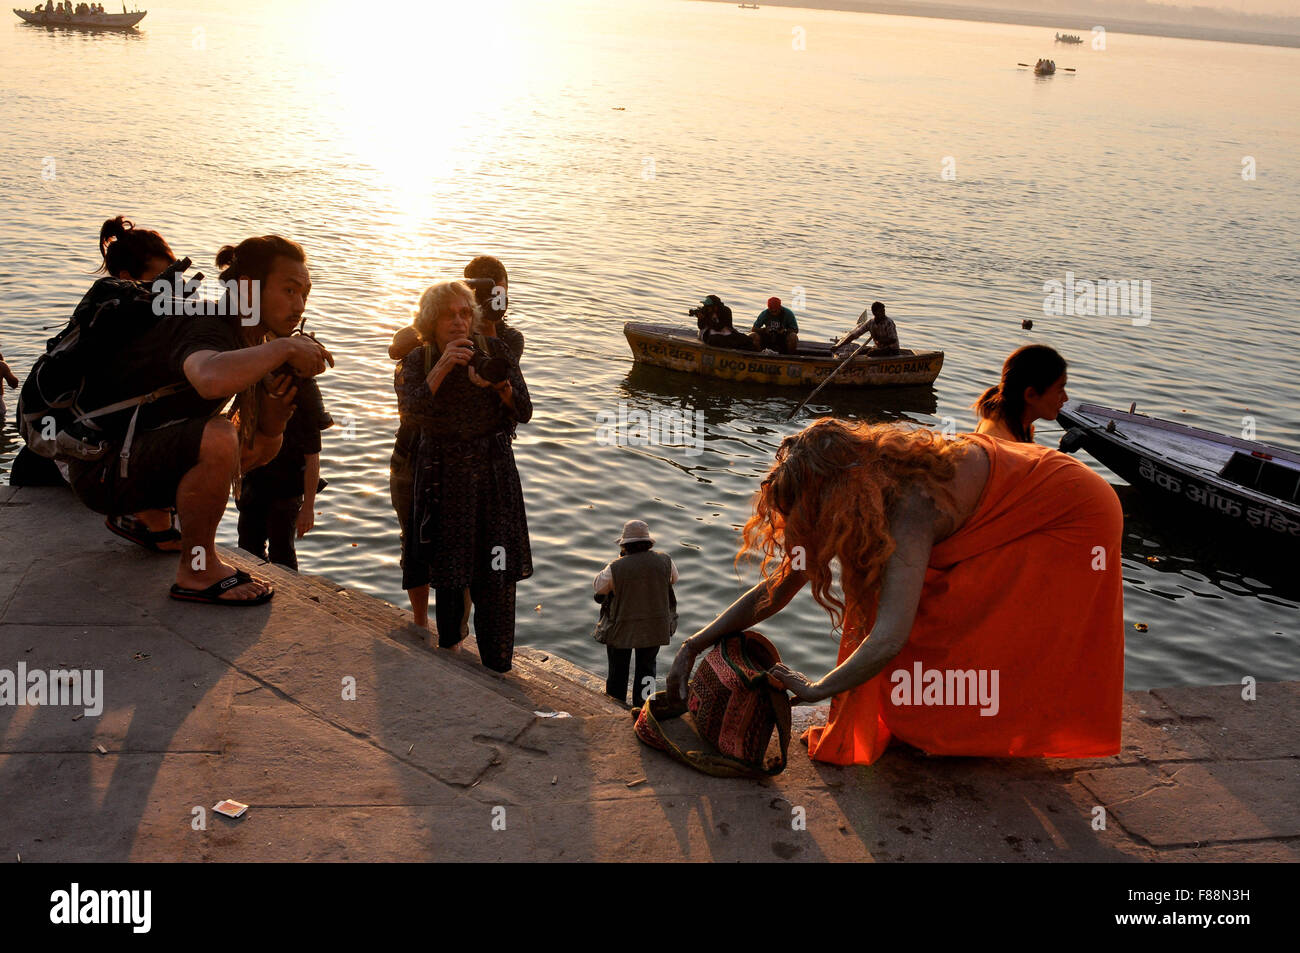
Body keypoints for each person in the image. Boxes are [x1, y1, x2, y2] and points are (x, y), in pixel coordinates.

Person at [666, 418, 1124, 766]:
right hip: (1027, 498)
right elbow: (781, 585)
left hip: (1071, 515)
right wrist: (693, 643)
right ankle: (944, 721)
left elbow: (889, 635)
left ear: (836, 494)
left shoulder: (911, 504)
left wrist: (817, 687)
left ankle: (978, 729)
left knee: (959, 623)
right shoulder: (859, 487)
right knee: (919, 611)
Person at [66, 233, 333, 605]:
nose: (300, 304)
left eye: (304, 292)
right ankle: (197, 569)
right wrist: (285, 346)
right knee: (218, 436)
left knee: (255, 440)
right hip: (98, 470)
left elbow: (254, 453)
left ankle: (149, 519)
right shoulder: (208, 324)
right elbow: (207, 378)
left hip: (120, 462)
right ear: (247, 289)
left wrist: (273, 420)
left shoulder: (249, 336)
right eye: (289, 291)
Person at [393, 280, 532, 672]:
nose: (458, 321)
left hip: (493, 474)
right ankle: (449, 652)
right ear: (430, 320)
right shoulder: (418, 360)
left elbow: (523, 410)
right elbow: (412, 413)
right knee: (450, 568)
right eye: (448, 314)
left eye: (465, 312)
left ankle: (498, 663)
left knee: (497, 572)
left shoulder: (494, 351)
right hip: (444, 475)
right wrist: (442, 366)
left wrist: (498, 384)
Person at [236, 326, 333, 571]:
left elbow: (313, 458)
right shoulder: (258, 384)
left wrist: (308, 507)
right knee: (247, 545)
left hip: (286, 488)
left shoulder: (305, 398)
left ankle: (286, 596)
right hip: (255, 480)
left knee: (282, 551)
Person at [593, 519, 678, 707]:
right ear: (649, 543)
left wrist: (621, 561)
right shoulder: (665, 560)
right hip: (654, 626)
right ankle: (646, 706)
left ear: (624, 545)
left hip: (621, 627)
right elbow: (674, 579)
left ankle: (615, 705)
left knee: (618, 671)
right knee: (648, 669)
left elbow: (598, 588)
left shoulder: (615, 567)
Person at [389, 256, 523, 363]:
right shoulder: (450, 326)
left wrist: (488, 326)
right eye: (488, 293)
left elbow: (505, 378)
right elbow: (395, 350)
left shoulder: (511, 337)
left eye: (500, 292)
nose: (497, 300)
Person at [973, 344, 1068, 443]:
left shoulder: (1014, 424)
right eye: (1060, 390)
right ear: (1031, 395)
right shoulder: (1002, 443)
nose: (1065, 398)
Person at [835, 301, 900, 356]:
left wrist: (880, 341)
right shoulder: (870, 323)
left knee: (871, 353)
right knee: (858, 353)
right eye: (881, 311)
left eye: (884, 311)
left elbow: (893, 339)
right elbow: (854, 335)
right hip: (879, 348)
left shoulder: (889, 322)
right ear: (874, 313)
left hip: (892, 350)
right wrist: (838, 346)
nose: (883, 314)